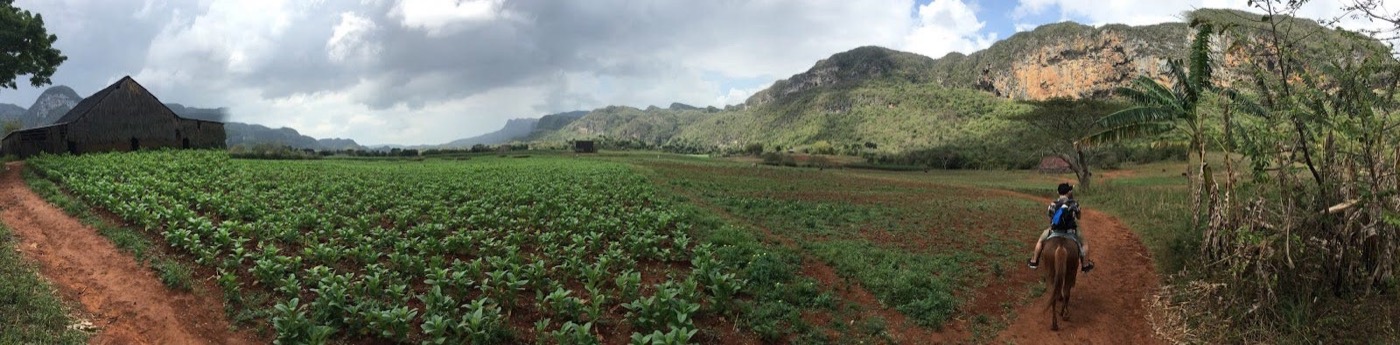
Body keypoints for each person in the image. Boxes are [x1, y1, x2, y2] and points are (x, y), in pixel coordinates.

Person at [1028, 183, 1094, 272]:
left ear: (1058, 192)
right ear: (1069, 192)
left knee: (1040, 241)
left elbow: (1050, 219)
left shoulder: (1053, 204)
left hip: (1055, 231)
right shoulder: (1074, 203)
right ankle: (1085, 265)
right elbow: (1079, 217)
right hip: (1071, 231)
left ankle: (1034, 261)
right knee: (1085, 243)